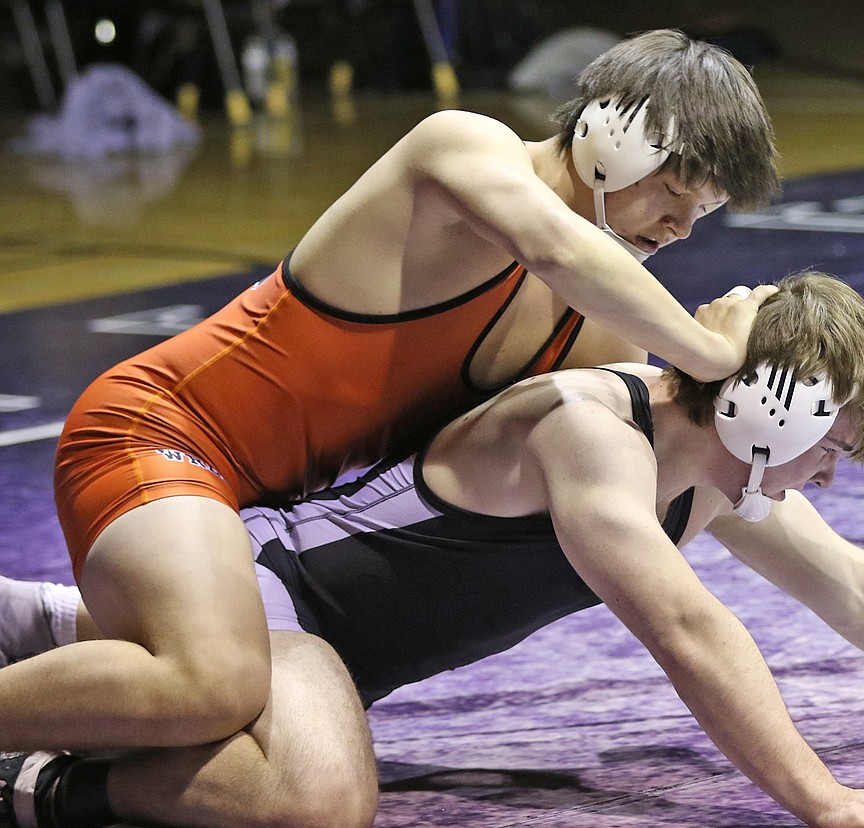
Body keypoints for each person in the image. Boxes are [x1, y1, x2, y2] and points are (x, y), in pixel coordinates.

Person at [3, 273, 864, 828]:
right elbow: (689, 631)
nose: (839, 467)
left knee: (298, 760)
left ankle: (54, 638)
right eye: (838, 437)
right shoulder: (589, 434)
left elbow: (863, 589)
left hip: (315, 647)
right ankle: (37, 783)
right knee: (320, 796)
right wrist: (820, 795)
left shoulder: (707, 473)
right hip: (276, 601)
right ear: (768, 409)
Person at [1, 30, 780, 758]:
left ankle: (35, 620)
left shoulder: (596, 331)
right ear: (610, 133)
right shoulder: (461, 148)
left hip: (255, 506)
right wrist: (713, 350)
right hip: (156, 431)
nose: (680, 227)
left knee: (233, 696)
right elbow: (553, 246)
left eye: (703, 211)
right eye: (674, 191)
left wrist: (773, 458)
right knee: (217, 681)